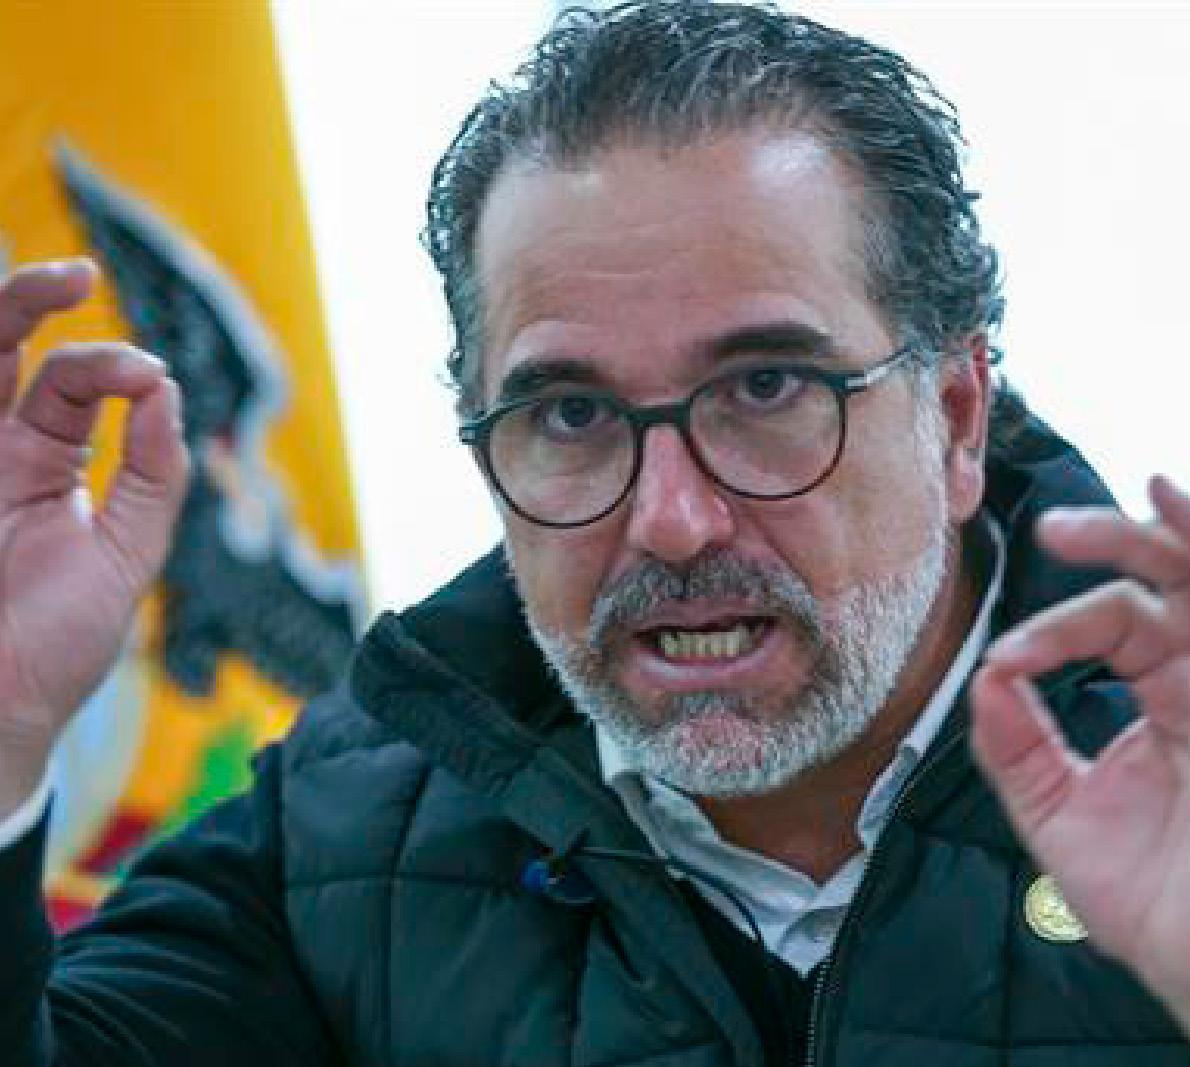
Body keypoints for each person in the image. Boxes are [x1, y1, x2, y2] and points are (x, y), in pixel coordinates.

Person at [1, 2, 1188, 1063]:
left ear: (956, 415)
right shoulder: (343, 830)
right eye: (570, 413)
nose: (670, 520)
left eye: (766, 387)